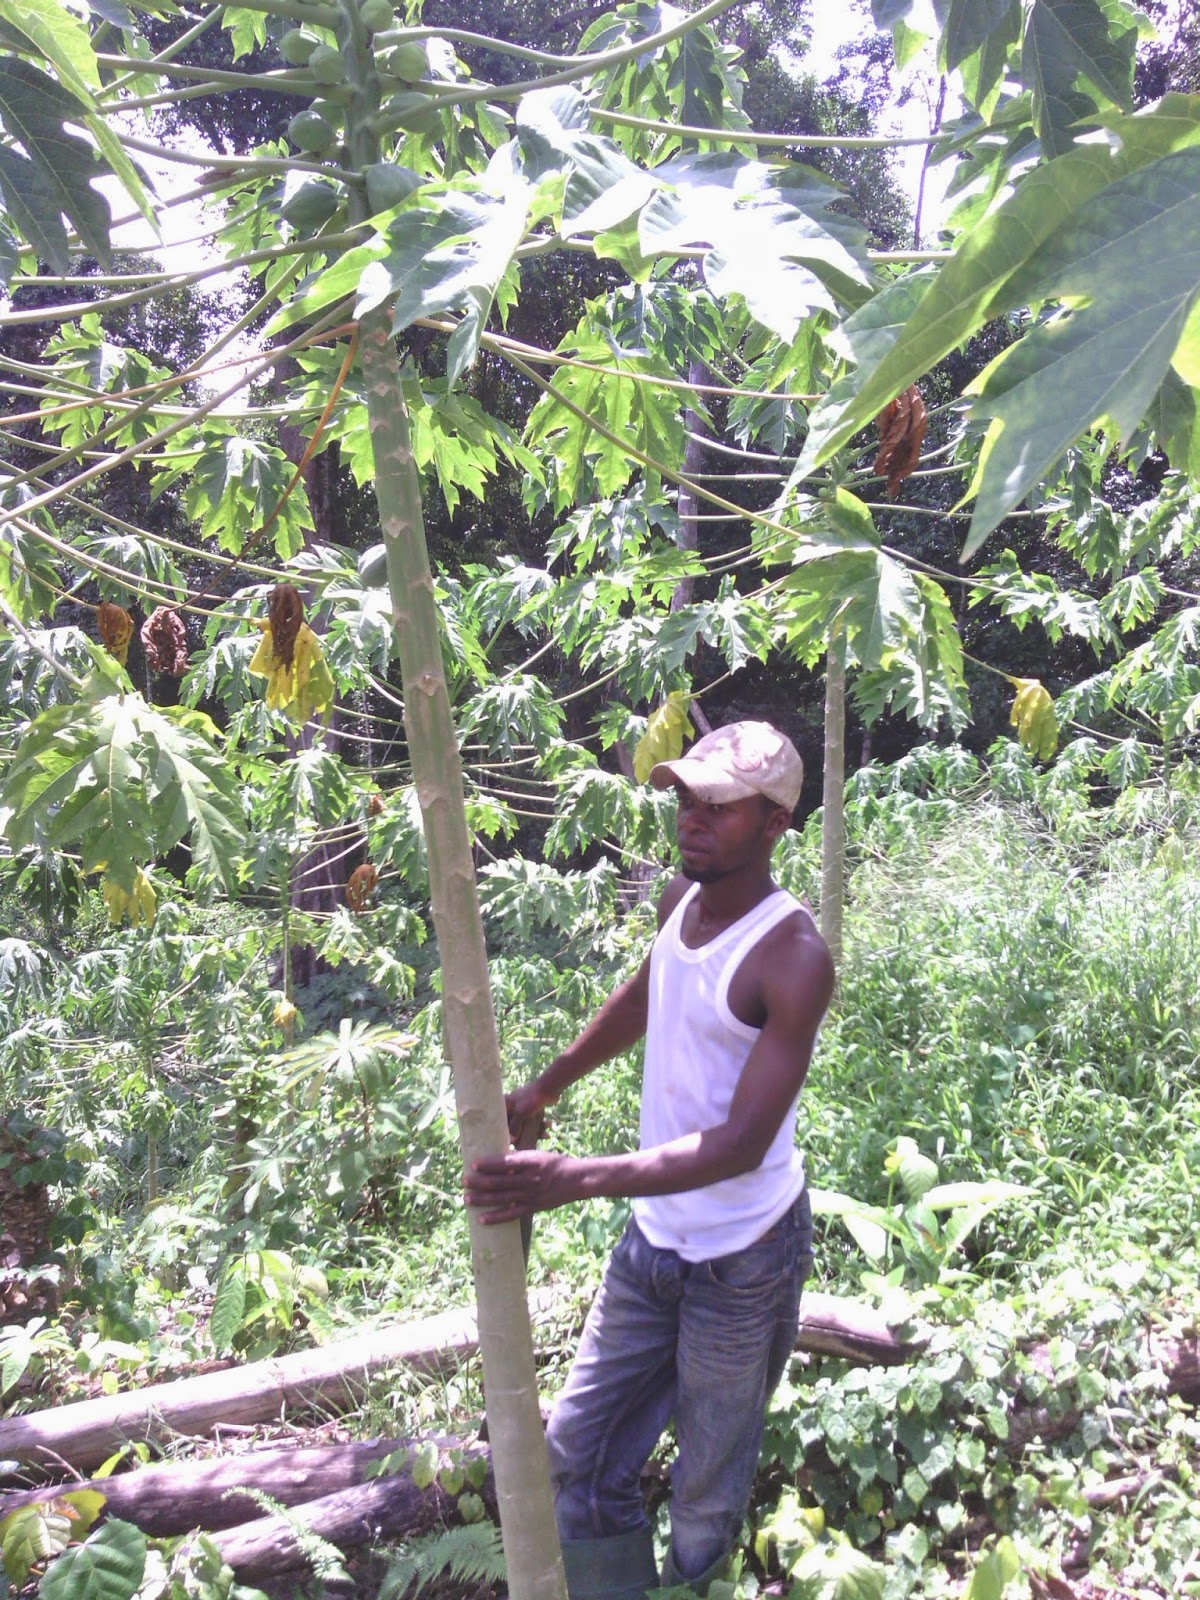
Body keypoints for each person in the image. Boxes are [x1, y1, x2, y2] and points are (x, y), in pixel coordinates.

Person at [465, 721, 835, 1600]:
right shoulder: (680, 901)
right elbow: (650, 990)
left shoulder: (792, 958)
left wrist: (573, 1179)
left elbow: (742, 1145)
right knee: (577, 1460)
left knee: (706, 1500)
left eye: (717, 805)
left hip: (743, 1259)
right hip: (652, 1247)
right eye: (683, 798)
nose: (690, 818)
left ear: (775, 821)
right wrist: (549, 1083)